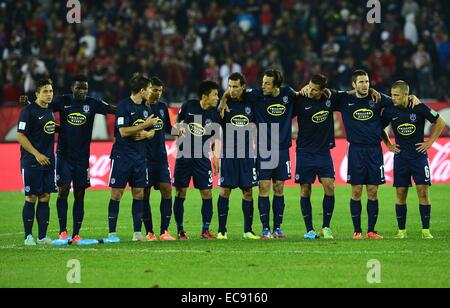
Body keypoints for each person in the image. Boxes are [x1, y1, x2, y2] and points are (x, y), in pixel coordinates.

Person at [20, 75, 116, 244]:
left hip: (82, 157)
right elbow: (39, 108)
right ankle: (62, 231)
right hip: (63, 155)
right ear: (72, 88)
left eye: (85, 88)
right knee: (62, 191)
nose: (82, 91)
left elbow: (112, 110)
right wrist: (27, 102)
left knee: (80, 193)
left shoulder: (92, 103)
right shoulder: (61, 101)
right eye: (79, 88)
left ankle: (76, 233)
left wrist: (129, 109)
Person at [381, 80, 446, 239]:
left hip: (418, 157)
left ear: (405, 95)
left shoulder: (419, 107)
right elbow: (380, 128)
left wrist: (430, 142)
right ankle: (401, 231)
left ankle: (425, 230)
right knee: (401, 193)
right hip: (401, 158)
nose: (393, 98)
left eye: (396, 95)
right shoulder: (389, 111)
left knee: (423, 192)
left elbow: (440, 121)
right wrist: (389, 144)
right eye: (392, 95)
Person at [106, 74, 158, 243]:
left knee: (139, 193)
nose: (150, 91)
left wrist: (146, 133)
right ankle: (112, 233)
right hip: (122, 157)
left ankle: (137, 233)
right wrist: (143, 127)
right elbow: (123, 131)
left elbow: (152, 131)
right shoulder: (123, 106)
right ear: (142, 90)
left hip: (140, 158)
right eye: (149, 88)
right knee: (117, 194)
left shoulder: (146, 108)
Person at [173, 80, 221, 240]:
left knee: (207, 192)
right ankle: (180, 230)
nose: (217, 97)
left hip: (201, 157)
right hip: (184, 156)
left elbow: (216, 137)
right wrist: (178, 129)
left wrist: (215, 156)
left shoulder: (214, 113)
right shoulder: (189, 106)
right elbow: (177, 124)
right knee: (180, 192)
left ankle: (205, 230)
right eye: (215, 94)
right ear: (205, 96)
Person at [216, 72, 260, 240]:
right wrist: (223, 99)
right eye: (230, 86)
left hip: (247, 154)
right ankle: (222, 231)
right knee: (224, 190)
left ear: (243, 86)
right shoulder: (224, 105)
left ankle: (248, 230)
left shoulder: (251, 102)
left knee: (248, 191)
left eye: (235, 86)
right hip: (229, 154)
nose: (232, 89)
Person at [294, 75, 338, 240]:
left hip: (323, 152)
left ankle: (326, 227)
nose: (310, 91)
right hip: (304, 152)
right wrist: (299, 92)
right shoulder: (300, 100)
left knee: (330, 187)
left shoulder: (330, 98)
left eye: (314, 89)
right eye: (309, 87)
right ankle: (309, 230)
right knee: (305, 188)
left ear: (322, 91)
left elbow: (349, 95)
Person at [17, 78, 56, 245]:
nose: (49, 94)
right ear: (37, 94)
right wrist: (36, 154)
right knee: (31, 197)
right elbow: (20, 135)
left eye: (51, 91)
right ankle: (28, 236)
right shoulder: (28, 111)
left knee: (45, 197)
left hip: (48, 160)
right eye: (45, 91)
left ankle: (42, 236)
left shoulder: (51, 111)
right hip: (31, 161)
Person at [142, 77, 176, 241]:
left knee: (167, 190)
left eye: (160, 90)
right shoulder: (141, 107)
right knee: (144, 194)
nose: (157, 93)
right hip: (144, 158)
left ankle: (164, 231)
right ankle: (149, 232)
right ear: (148, 89)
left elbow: (168, 128)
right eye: (155, 90)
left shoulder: (162, 107)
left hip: (161, 158)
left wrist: (179, 130)